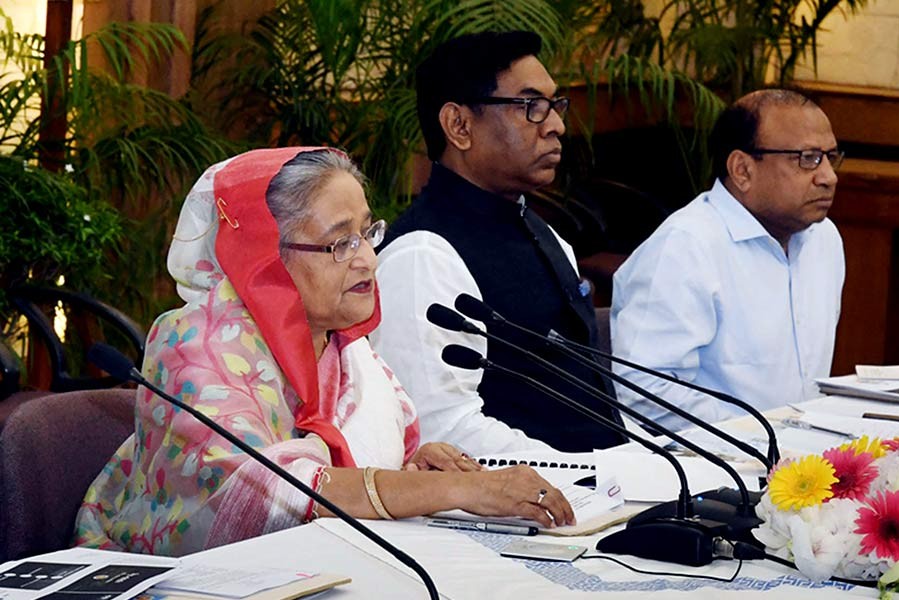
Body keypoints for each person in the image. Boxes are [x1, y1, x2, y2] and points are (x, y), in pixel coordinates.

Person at [73, 147, 574, 556]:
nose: (368, 260)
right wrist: (459, 491)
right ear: (266, 258)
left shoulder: (345, 345)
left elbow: (360, 474)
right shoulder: (191, 345)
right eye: (341, 243)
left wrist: (418, 467)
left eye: (367, 234)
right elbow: (261, 496)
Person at [371, 31, 625, 456]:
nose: (558, 126)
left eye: (554, 105)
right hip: (536, 507)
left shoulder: (546, 234)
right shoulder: (420, 257)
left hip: (609, 493)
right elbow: (442, 430)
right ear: (460, 126)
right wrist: (596, 478)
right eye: (530, 107)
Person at [611, 89, 845, 431]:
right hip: (711, 466)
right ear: (742, 170)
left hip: (801, 465)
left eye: (830, 157)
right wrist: (759, 434)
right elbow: (644, 392)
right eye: (807, 158)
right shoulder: (685, 247)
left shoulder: (824, 239)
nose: (828, 176)